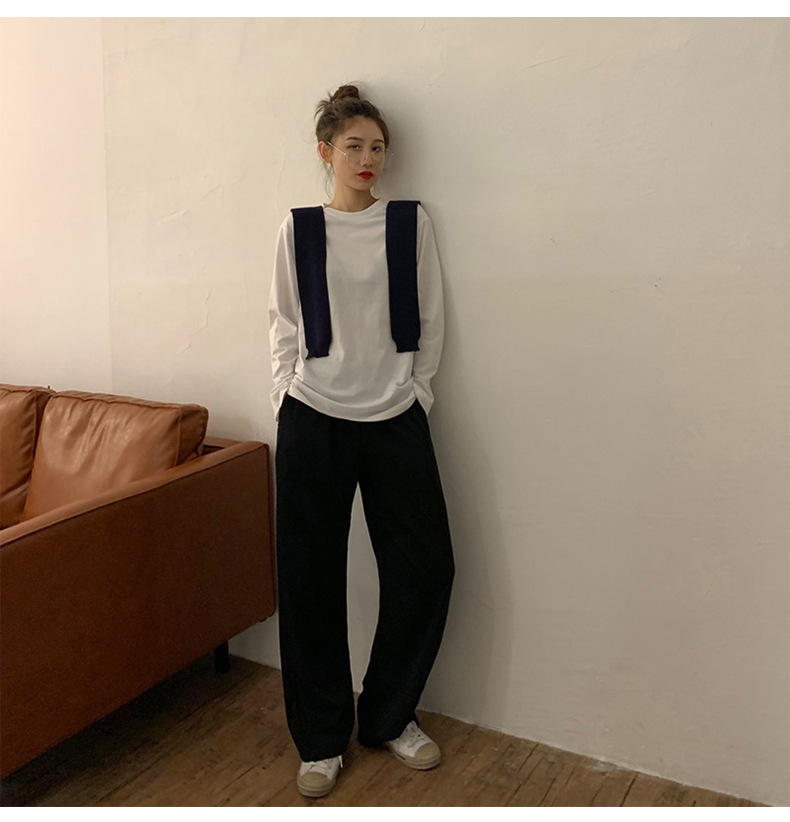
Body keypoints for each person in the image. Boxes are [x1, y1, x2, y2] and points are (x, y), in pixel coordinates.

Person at [268, 83, 455, 799]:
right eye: (353, 146)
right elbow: (283, 322)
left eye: (377, 147)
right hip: (313, 416)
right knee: (309, 580)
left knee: (426, 566)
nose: (367, 158)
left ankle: (389, 715)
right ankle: (320, 740)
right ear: (327, 152)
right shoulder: (299, 229)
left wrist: (418, 393)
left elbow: (431, 319)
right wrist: (286, 395)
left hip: (395, 414)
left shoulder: (409, 224)